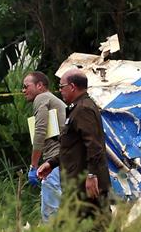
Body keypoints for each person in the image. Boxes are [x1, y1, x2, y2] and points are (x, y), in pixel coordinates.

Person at [37, 69, 109, 222]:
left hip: (84, 183)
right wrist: (52, 163)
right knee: (103, 227)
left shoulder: (83, 109)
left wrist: (91, 176)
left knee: (68, 228)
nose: (60, 91)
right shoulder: (78, 108)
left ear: (72, 86)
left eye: (62, 87)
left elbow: (94, 146)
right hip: (78, 182)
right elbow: (72, 146)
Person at [22, 71, 67, 223]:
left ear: (39, 86)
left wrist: (33, 165)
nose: (23, 90)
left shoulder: (42, 98)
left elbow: (40, 130)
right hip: (64, 159)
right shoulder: (55, 101)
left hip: (54, 161)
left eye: (26, 86)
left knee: (50, 212)